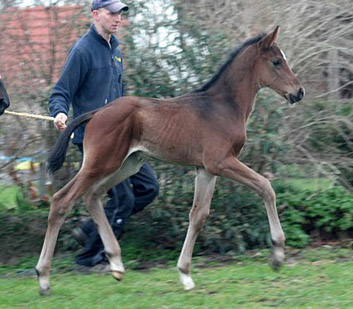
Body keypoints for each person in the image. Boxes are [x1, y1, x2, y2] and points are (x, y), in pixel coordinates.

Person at [48, 0, 159, 271]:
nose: (117, 18)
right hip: (93, 139)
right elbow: (61, 91)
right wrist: (60, 113)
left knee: (149, 189)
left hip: (124, 140)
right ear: (95, 14)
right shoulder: (83, 51)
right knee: (123, 199)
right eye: (112, 13)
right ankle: (90, 258)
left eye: (120, 13)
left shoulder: (116, 51)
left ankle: (89, 231)